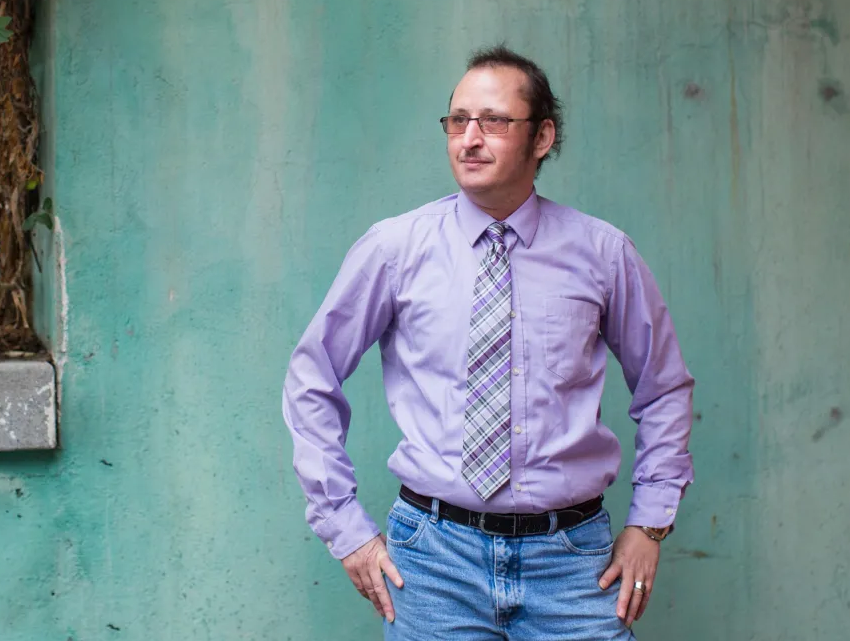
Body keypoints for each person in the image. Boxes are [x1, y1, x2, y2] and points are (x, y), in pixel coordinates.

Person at [282, 46, 696, 639]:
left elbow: (664, 388)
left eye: (494, 121)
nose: (469, 139)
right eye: (458, 121)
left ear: (542, 136)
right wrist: (344, 527)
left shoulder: (603, 254)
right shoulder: (395, 249)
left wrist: (650, 522)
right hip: (432, 564)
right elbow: (311, 376)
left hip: (572, 562)